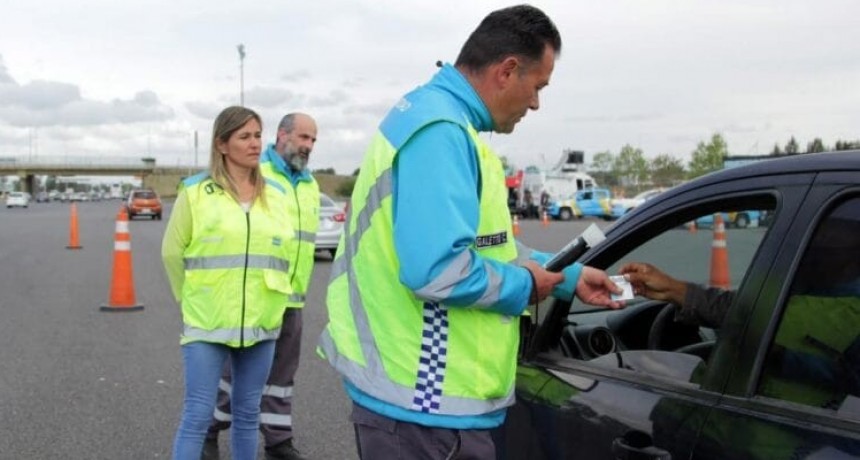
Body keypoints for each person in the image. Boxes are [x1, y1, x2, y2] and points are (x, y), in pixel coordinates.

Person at [317, 5, 623, 459]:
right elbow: (438, 271)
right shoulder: (441, 132)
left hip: (420, 402)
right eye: (537, 87)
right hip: (422, 404)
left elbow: (489, 246)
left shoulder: (441, 121)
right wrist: (524, 285)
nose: (536, 103)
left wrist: (568, 277)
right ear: (507, 71)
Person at [162, 106, 294, 460]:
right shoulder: (195, 193)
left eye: (257, 135)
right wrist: (189, 300)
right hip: (207, 322)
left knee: (248, 414)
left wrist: (276, 304)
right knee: (197, 415)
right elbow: (171, 254)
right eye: (244, 137)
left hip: (261, 322)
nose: (254, 144)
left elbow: (287, 254)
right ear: (222, 144)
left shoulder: (277, 195)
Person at [202, 113, 318, 460]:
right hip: (256, 295)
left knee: (282, 376)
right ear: (281, 136)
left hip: (292, 297)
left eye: (312, 140)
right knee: (232, 373)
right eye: (303, 137)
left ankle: (278, 442)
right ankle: (208, 432)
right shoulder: (257, 174)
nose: (308, 146)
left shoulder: (309, 184)